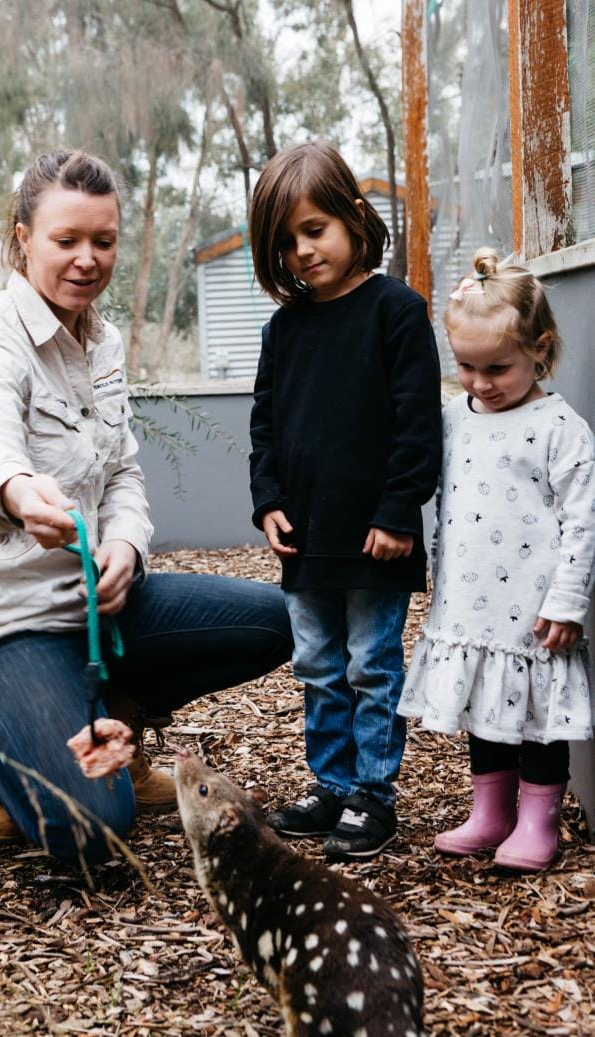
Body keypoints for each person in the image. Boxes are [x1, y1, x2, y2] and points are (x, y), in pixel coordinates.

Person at [0, 149, 292, 865]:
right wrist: (23, 493)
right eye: (67, 240)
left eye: (104, 240)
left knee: (276, 622)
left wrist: (126, 547)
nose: (88, 259)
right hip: (0, 629)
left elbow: (122, 471)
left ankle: (110, 711)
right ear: (23, 238)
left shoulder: (102, 342)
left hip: (97, 607)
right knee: (96, 828)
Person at [248, 141, 442, 862]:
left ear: (356, 218)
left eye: (314, 229)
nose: (302, 251)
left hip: (374, 538)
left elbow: (418, 426)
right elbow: (264, 424)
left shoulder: (397, 311)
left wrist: (398, 513)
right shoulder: (284, 329)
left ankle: (372, 793)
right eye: (286, 241)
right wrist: (267, 500)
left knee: (370, 664)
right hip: (306, 537)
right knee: (318, 665)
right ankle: (330, 784)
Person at [398, 248, 594, 872]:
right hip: (471, 601)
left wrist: (567, 601)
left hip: (535, 610)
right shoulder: (454, 419)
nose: (480, 382)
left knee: (537, 717)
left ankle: (539, 819)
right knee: (488, 708)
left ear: (541, 349)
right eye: (465, 367)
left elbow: (583, 521)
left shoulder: (560, 427)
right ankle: (491, 813)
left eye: (497, 367)